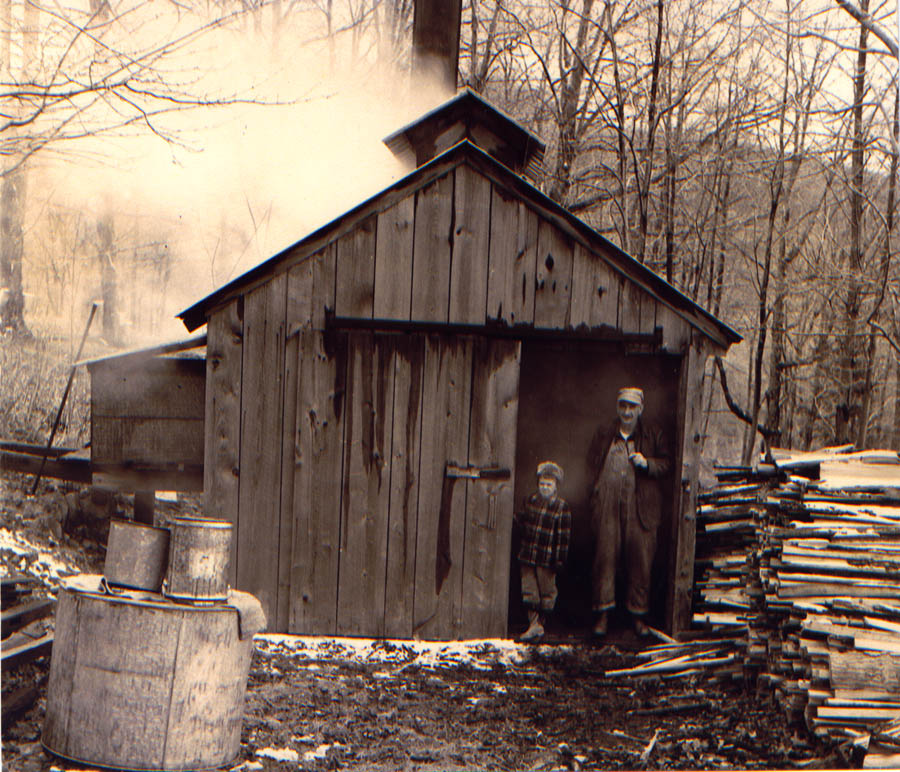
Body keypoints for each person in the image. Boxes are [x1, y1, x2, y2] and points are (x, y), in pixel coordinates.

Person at [588, 387, 670, 637]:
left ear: (640, 409)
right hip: (608, 505)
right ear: (617, 407)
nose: (627, 412)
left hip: (640, 506)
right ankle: (602, 615)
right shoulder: (605, 434)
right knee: (605, 558)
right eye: (623, 406)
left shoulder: (653, 434)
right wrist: (598, 494)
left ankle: (638, 616)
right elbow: (591, 463)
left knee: (640, 561)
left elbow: (669, 463)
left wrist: (648, 464)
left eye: (632, 407)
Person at [516, 461, 572, 642]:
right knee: (529, 589)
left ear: (556, 486)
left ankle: (541, 622)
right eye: (542, 484)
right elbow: (522, 521)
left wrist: (560, 560)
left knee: (546, 590)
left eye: (549, 484)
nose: (545, 488)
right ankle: (533, 624)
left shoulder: (561, 507)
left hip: (546, 558)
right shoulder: (531, 501)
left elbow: (563, 538)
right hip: (528, 554)